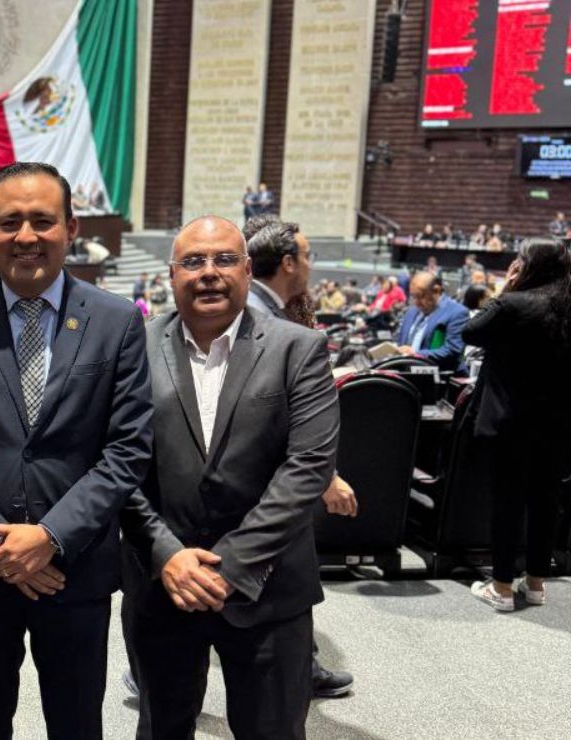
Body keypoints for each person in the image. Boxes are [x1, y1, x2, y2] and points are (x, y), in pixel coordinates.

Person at [0, 162, 153, 739]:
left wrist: (48, 538)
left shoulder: (118, 321)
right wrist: (0, 545)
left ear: (71, 228)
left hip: (76, 567)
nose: (26, 236)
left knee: (76, 725)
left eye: (42, 221)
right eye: (11, 221)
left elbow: (127, 448)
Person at [121, 216, 339, 740]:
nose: (209, 273)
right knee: (161, 729)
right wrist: (166, 554)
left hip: (269, 588)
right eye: (193, 262)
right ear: (170, 276)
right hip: (162, 584)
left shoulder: (298, 348)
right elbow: (116, 461)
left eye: (224, 259)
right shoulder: (133, 348)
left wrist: (231, 567)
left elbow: (308, 466)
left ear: (246, 269)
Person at [239, 216, 354, 699]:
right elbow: (275, 414)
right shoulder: (261, 318)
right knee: (281, 578)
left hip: (267, 477)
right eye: (306, 256)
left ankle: (301, 664)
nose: (311, 265)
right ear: (287, 261)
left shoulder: (269, 311)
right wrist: (324, 474)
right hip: (266, 479)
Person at [464, 240, 571, 612]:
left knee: (508, 503)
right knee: (545, 502)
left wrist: (504, 289)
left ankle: (503, 588)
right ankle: (537, 584)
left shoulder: (513, 304)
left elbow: (471, 332)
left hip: (510, 423)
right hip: (558, 425)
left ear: (526, 267)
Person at [395, 272, 469, 372]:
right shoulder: (411, 311)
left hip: (439, 376)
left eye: (420, 296)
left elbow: (452, 350)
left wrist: (415, 353)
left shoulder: (457, 313)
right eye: (413, 296)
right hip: (406, 373)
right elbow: (401, 343)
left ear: (436, 290)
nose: (416, 302)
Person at [243, 215, 310, 319]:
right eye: (307, 256)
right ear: (288, 263)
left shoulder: (295, 302)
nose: (309, 265)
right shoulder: (255, 314)